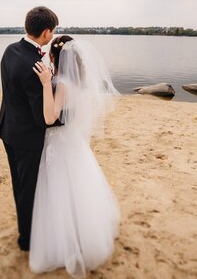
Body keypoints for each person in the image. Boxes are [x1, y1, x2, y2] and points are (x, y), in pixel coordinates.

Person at [30, 35, 120, 278]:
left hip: (59, 142)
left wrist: (46, 83)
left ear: (53, 57)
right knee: (80, 186)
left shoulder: (62, 83)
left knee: (60, 189)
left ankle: (64, 243)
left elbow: (50, 118)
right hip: (75, 142)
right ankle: (87, 234)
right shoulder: (80, 82)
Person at [0, 6, 61, 251]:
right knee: (27, 188)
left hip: (7, 129)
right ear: (45, 32)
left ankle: (27, 229)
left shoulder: (10, 50)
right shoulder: (35, 66)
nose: (52, 36)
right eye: (53, 31)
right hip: (26, 138)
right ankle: (27, 239)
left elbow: (13, 90)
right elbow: (42, 119)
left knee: (18, 182)